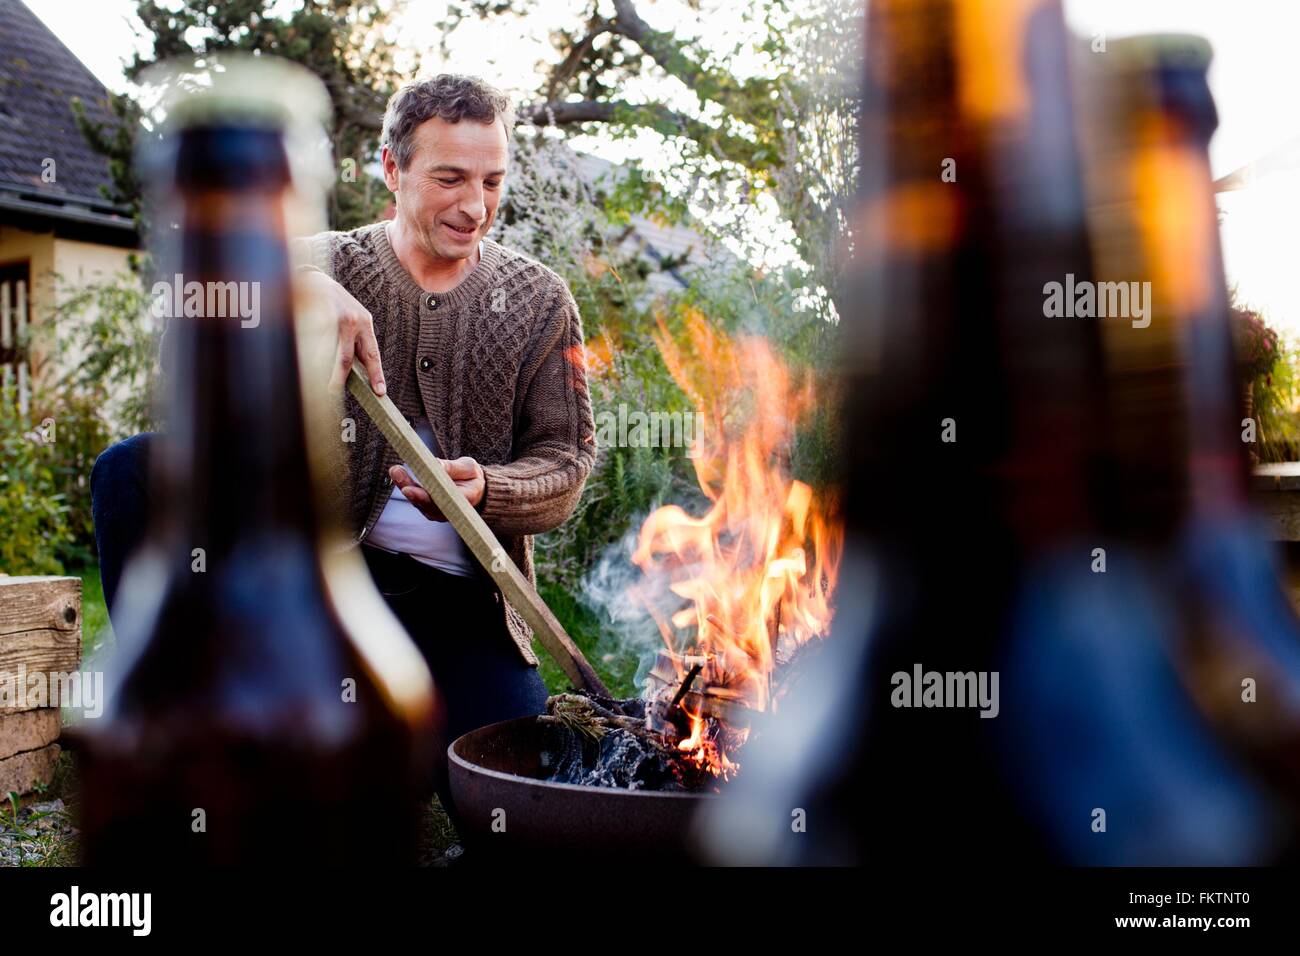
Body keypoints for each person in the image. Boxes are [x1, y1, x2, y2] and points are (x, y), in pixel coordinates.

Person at [90, 74, 597, 804]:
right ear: (391, 169)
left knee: (500, 801)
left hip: (460, 606)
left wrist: (489, 488)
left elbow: (567, 461)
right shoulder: (304, 259)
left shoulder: (541, 299)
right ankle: (179, 708)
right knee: (130, 469)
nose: (475, 206)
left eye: (492, 180)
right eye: (449, 178)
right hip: (315, 582)